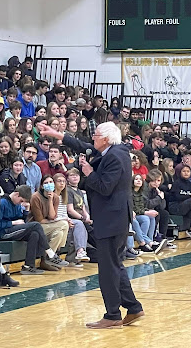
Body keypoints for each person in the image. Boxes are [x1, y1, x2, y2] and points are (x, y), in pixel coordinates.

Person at [40, 122, 144, 328]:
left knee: (107, 268)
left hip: (112, 219)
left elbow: (105, 187)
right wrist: (59, 135)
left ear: (105, 139)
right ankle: (133, 308)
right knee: (115, 265)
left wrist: (89, 172)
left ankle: (113, 315)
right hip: (114, 218)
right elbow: (82, 145)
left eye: (95, 135)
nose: (92, 138)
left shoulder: (115, 157)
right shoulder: (113, 150)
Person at [30, 175, 69, 271]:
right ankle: (51, 256)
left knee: (59, 233)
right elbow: (40, 220)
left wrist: (50, 200)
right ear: (42, 186)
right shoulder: (35, 197)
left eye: (51, 182)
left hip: (48, 225)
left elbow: (52, 216)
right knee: (64, 224)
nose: (49, 184)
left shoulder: (55, 197)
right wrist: (55, 222)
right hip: (36, 226)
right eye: (46, 183)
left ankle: (46, 260)